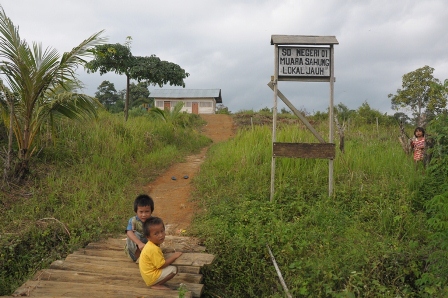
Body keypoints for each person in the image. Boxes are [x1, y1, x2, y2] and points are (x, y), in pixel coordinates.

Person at [139, 216, 183, 290]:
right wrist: (174, 256)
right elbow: (161, 265)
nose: (161, 235)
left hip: (148, 275)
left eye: (162, 231)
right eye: (156, 234)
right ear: (148, 237)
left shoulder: (150, 244)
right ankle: (156, 284)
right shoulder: (153, 249)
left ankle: (156, 282)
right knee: (174, 269)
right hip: (151, 277)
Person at [125, 194, 154, 263]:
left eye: (147, 211)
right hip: (135, 249)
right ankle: (139, 259)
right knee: (134, 234)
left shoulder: (153, 221)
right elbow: (129, 231)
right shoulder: (133, 220)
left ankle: (150, 256)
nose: (144, 215)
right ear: (136, 211)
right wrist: (139, 243)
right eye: (141, 212)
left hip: (148, 246)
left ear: (151, 211)